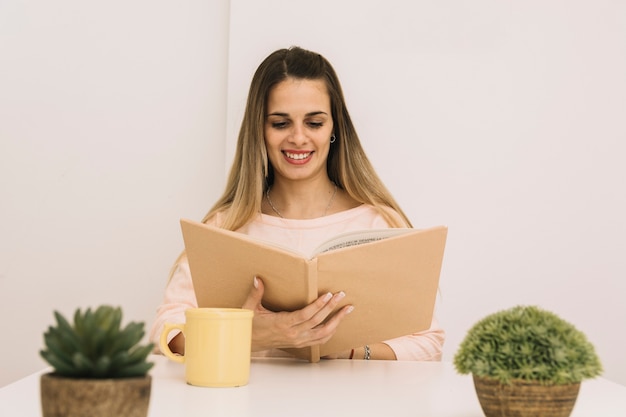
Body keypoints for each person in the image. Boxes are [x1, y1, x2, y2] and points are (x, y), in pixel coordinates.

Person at [149, 46, 444, 361]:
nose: (298, 138)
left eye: (314, 123)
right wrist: (256, 335)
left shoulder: (379, 224)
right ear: (259, 131)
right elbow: (167, 332)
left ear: (334, 130)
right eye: (280, 123)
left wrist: (345, 349)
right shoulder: (226, 228)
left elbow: (427, 342)